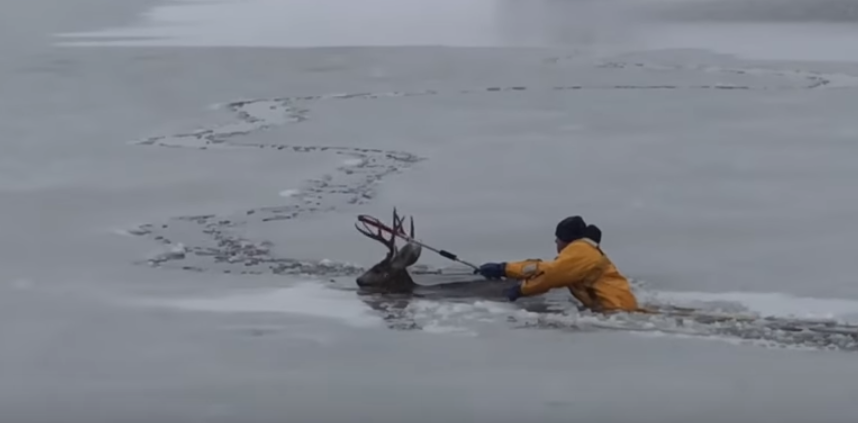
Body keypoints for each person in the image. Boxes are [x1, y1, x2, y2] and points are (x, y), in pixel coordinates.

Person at [474, 216, 643, 313]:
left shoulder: (581, 251)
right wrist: (505, 268)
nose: (555, 241)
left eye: (558, 238)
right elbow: (545, 268)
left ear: (566, 239)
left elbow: (552, 276)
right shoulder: (581, 254)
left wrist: (521, 289)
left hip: (617, 311)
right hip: (615, 309)